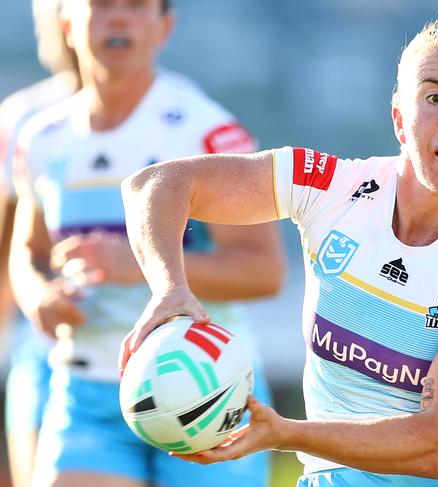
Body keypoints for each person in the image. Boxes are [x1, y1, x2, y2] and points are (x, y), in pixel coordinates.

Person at [118, 18, 438, 487]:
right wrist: (170, 289)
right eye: (434, 96)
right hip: (334, 477)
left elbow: (437, 446)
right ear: (400, 117)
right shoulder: (331, 188)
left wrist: (283, 434)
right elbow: (157, 185)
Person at [9, 0, 285, 486]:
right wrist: (39, 297)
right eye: (100, 5)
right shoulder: (41, 137)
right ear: (67, 23)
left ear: (164, 26)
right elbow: (28, 253)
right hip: (87, 390)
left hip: (206, 386)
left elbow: (264, 272)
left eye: (136, 6)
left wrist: (138, 262)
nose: (118, 18)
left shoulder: (205, 131)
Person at [0, 1, 80, 486]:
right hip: (44, 344)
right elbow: (8, 241)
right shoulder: (26, 116)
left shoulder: (174, 111)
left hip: (144, 346)